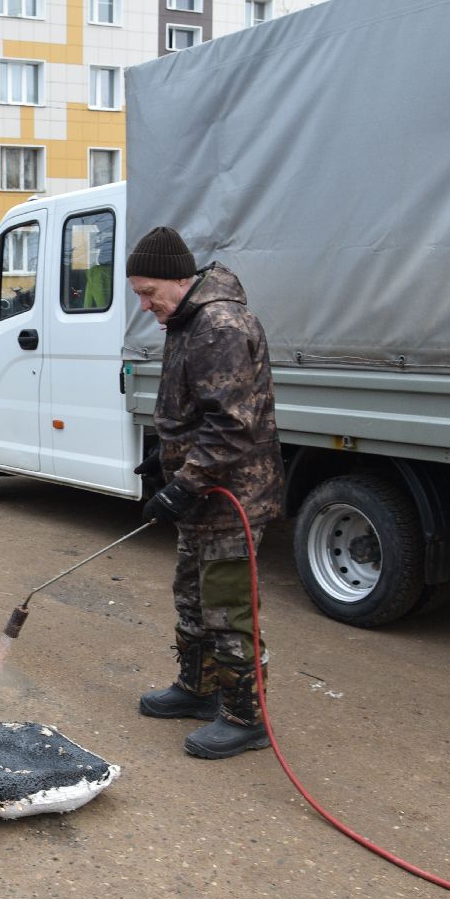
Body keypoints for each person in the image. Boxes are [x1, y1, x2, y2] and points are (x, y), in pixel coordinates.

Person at [126, 227, 286, 760]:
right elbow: (195, 411)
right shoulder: (186, 319)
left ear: (180, 277)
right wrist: (165, 456)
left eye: (149, 292)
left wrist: (184, 484)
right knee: (191, 593)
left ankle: (246, 716)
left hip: (230, 496)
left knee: (226, 604)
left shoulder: (218, 324)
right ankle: (198, 689)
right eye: (138, 295)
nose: (145, 305)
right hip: (204, 492)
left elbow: (232, 426)